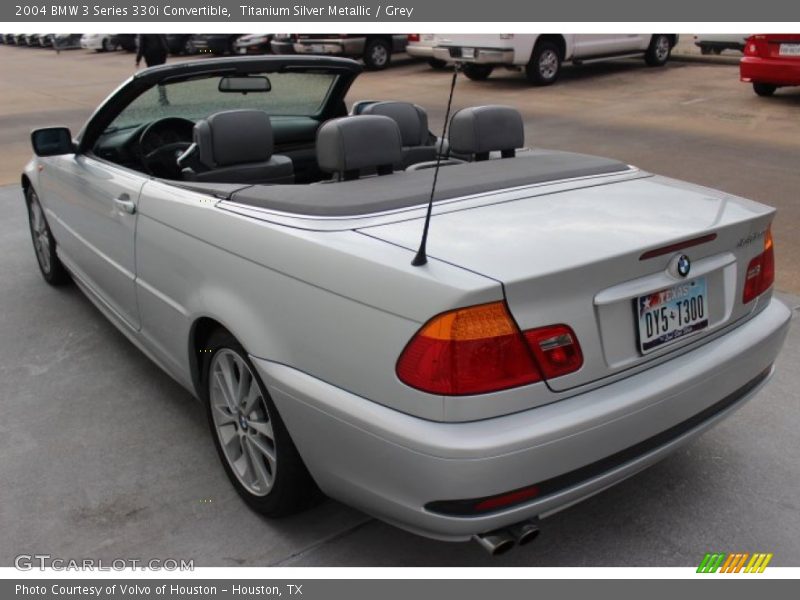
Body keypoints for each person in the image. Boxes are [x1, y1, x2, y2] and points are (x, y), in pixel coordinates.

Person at [136, 34, 170, 105]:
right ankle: (163, 97)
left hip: (150, 56)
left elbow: (141, 47)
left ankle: (162, 97)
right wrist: (166, 51)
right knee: (161, 76)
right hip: (161, 54)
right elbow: (164, 40)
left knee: (155, 77)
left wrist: (138, 60)